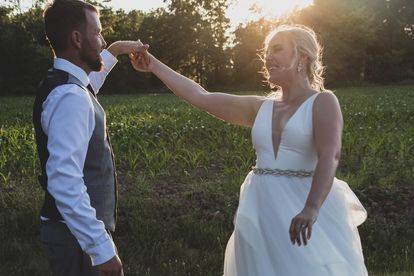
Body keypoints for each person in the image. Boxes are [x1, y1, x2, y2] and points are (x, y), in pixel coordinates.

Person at [131, 24, 368, 275]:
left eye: (277, 49)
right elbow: (200, 95)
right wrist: (153, 65)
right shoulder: (259, 108)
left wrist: (311, 208)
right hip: (260, 209)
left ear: (303, 57)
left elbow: (330, 156)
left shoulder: (323, 101)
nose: (268, 57)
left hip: (305, 206)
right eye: (266, 52)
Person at [33, 1, 147, 275]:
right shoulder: (71, 97)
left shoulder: (65, 84)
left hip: (71, 233)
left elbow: (89, 86)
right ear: (76, 38)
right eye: (97, 33)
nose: (102, 40)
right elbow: (64, 180)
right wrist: (101, 250)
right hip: (76, 240)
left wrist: (116, 50)